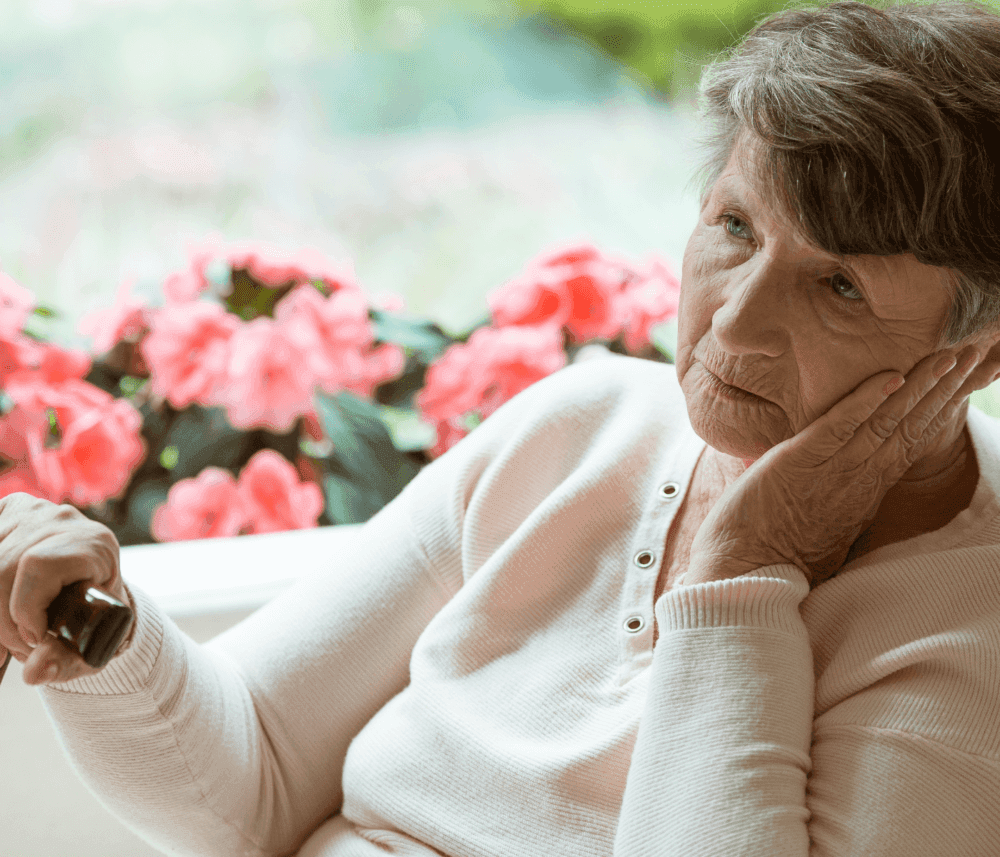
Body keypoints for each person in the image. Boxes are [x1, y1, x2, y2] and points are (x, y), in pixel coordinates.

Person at [4, 0, 1000, 853]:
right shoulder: (587, 424)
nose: (734, 320)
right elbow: (254, 775)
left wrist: (741, 572)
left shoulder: (965, 635)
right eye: (735, 226)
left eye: (838, 285)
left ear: (982, 351)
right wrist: (98, 627)